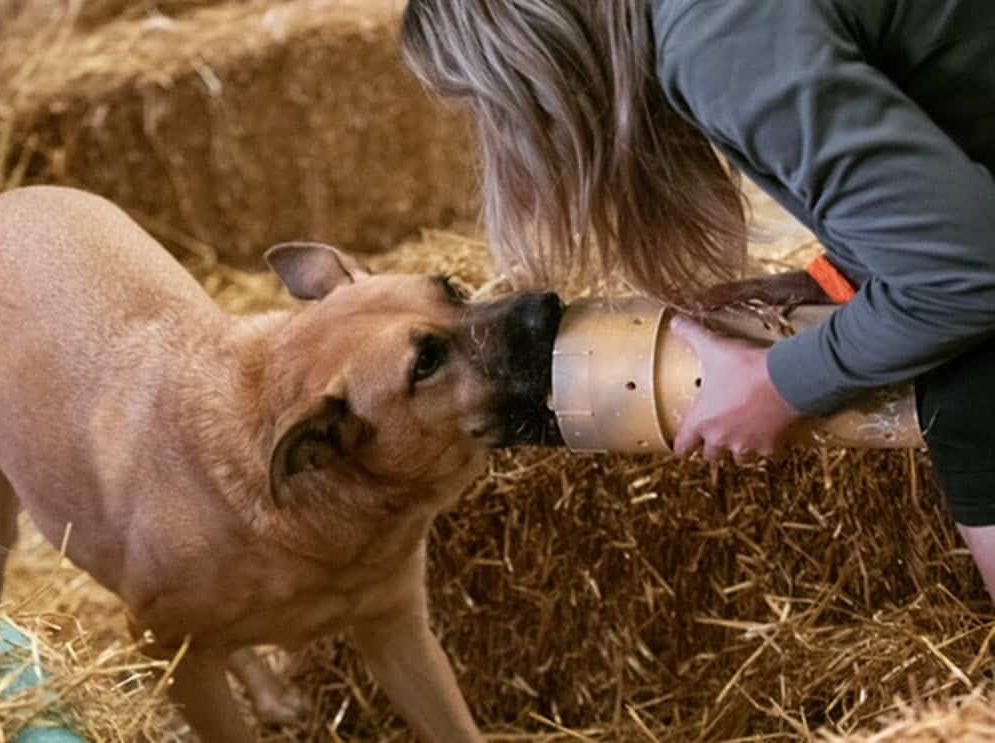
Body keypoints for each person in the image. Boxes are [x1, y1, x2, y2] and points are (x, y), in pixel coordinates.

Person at [400, 0, 995, 597]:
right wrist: (837, 274)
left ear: (535, 66)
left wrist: (780, 384)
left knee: (969, 392)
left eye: (489, 106)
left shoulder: (716, 43)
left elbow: (967, 277)